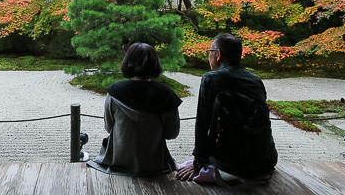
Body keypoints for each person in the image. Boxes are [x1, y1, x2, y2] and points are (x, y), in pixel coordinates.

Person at [176, 33, 277, 184]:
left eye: (210, 52)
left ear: (218, 55)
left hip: (232, 162)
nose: (208, 56)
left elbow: (202, 124)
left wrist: (198, 162)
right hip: (265, 160)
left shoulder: (211, 79)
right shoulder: (255, 80)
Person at [87, 43, 182, 176]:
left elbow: (109, 127)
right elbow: (172, 134)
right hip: (154, 164)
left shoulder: (114, 92)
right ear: (155, 64)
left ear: (127, 62)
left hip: (118, 160)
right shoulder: (166, 95)